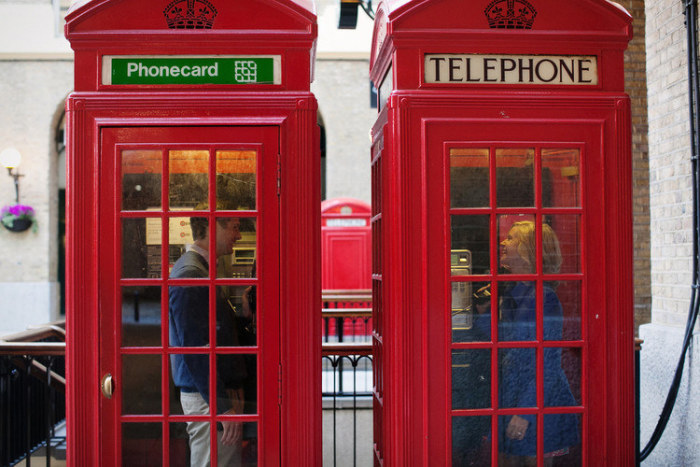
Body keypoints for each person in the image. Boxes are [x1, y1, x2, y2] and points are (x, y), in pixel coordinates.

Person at [169, 214, 252, 467]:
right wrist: (222, 408)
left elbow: (212, 333)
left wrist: (244, 317)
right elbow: (196, 350)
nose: (238, 236)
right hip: (209, 398)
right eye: (234, 228)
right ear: (211, 227)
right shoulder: (191, 274)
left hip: (214, 394)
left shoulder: (199, 268)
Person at [496, 221, 579, 466]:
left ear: (528, 251)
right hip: (512, 395)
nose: (503, 243)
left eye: (511, 239)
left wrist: (525, 411)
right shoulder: (513, 293)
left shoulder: (545, 299)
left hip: (539, 401)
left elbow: (548, 363)